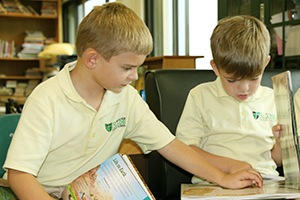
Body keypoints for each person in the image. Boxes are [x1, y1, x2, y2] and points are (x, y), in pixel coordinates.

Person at [3, 4, 262, 200]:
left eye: (138, 67)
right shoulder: (47, 98)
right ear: (92, 60)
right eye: (127, 67)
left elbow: (170, 145)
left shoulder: (124, 96)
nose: (134, 76)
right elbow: (19, 175)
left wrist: (223, 178)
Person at [176, 15, 282, 183]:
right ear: (215, 68)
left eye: (254, 78)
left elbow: (276, 160)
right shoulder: (200, 96)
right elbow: (184, 150)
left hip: (266, 182)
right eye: (232, 80)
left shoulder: (273, 98)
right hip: (213, 181)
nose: (244, 88)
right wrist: (230, 166)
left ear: (266, 63)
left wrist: (282, 141)